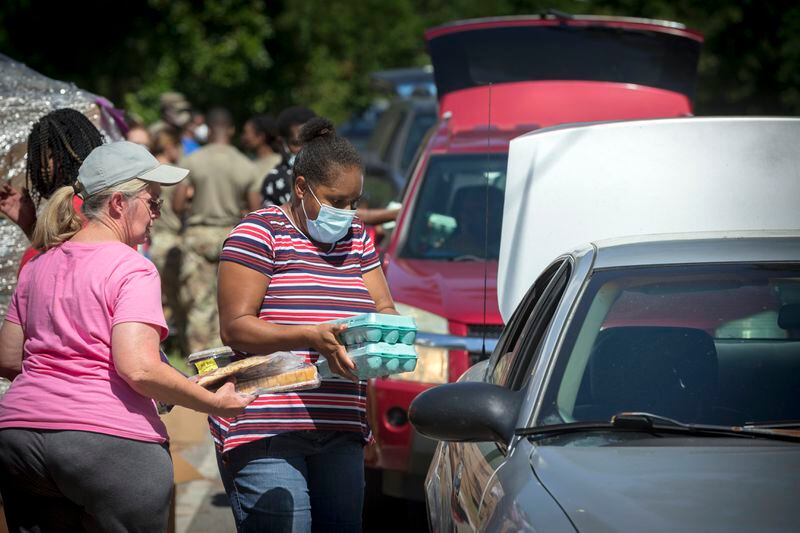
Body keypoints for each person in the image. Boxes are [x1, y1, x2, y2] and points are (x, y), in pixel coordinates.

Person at [0, 141, 254, 532]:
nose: (157, 214)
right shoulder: (132, 267)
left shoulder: (39, 264)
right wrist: (214, 403)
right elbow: (138, 368)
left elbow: (8, 359)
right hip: (107, 445)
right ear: (119, 203)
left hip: (17, 438)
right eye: (153, 203)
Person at [214, 117, 397, 532]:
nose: (347, 212)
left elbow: (383, 309)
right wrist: (309, 335)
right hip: (268, 424)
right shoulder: (259, 233)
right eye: (336, 200)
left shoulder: (359, 239)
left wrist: (390, 337)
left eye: (354, 202)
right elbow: (236, 327)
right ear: (301, 188)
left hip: (341, 424)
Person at [172, 107, 255, 355]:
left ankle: (201, 362)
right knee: (228, 304)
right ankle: (224, 358)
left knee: (199, 304)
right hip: (233, 237)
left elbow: (177, 205)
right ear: (231, 130)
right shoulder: (245, 164)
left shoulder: (193, 160)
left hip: (198, 236)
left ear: (207, 129)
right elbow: (254, 210)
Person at [0, 109, 103, 259]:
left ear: (74, 152)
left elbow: (62, 264)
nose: (43, 165)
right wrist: (29, 225)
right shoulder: (73, 203)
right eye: (39, 157)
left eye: (50, 155)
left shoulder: (87, 205)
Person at [148, 128, 188, 355]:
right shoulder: (172, 173)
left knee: (160, 299)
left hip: (156, 241)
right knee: (178, 301)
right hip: (173, 240)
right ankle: (179, 346)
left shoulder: (149, 171)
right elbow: (180, 206)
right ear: (170, 146)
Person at [260, 106, 316, 207]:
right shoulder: (273, 181)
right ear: (282, 143)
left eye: (311, 141)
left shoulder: (333, 174)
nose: (306, 148)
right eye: (297, 143)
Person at [241, 113, 282, 211]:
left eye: (246, 133)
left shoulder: (279, 162)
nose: (244, 137)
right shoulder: (250, 162)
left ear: (261, 136)